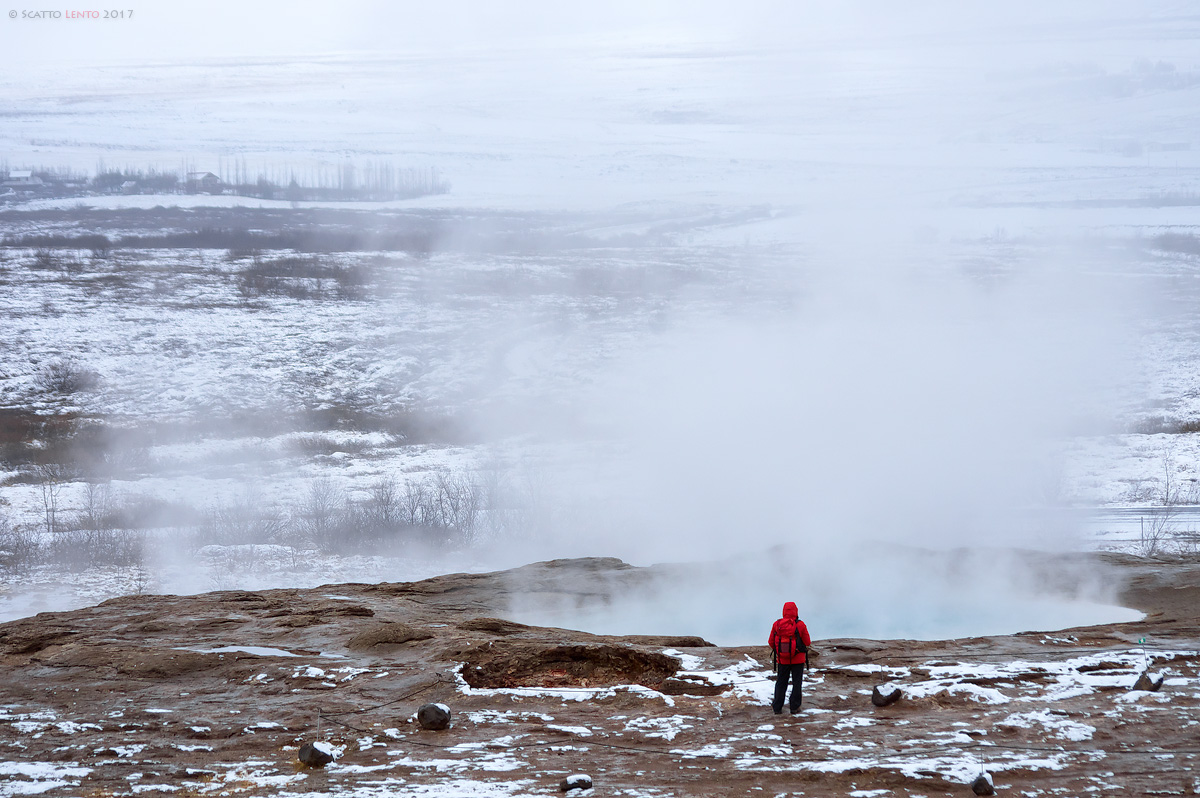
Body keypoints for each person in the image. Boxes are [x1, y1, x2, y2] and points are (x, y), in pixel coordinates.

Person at [768, 601, 811, 715]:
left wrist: (780, 652)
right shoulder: (800, 625)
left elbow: (771, 642)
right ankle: (794, 707)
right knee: (797, 683)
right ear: (796, 611)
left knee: (781, 683)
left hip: (783, 660)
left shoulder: (777, 624)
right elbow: (807, 642)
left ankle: (777, 707)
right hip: (798, 660)